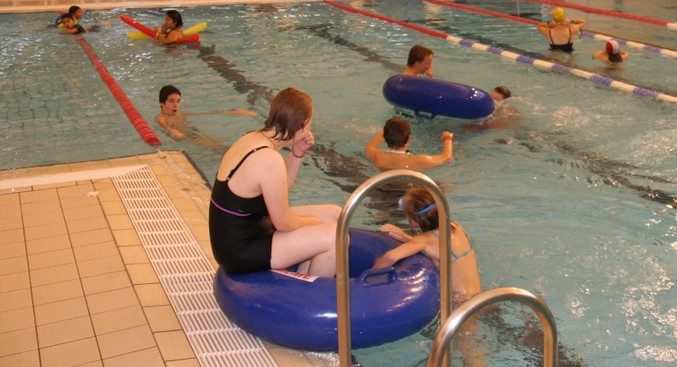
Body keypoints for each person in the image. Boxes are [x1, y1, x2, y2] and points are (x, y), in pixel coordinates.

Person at [375, 188, 534, 367]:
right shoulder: (455, 227)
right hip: (481, 298)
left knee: (473, 361)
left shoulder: (425, 240)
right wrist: (406, 238)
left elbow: (390, 258)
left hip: (462, 307)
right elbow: (436, 246)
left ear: (413, 219)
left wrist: (370, 276)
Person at [209, 87, 341, 276]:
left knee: (336, 216)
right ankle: (308, 299)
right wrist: (315, 222)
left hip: (248, 229)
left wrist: (298, 152)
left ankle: (302, 279)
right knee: (336, 238)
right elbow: (284, 224)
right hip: (240, 250)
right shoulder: (269, 159)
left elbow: (280, 186)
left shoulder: (254, 138)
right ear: (302, 126)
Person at [156, 85, 257, 140]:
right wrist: (173, 131)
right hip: (186, 137)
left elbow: (207, 113)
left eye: (178, 101)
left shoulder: (181, 114)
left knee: (216, 143)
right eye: (171, 101)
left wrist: (235, 112)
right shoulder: (161, 117)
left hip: (192, 133)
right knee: (216, 146)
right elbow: (165, 126)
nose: (176, 105)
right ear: (162, 103)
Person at [365, 117, 454, 171]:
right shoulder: (420, 160)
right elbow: (447, 158)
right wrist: (448, 138)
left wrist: (387, 131)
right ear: (408, 139)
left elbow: (370, 146)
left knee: (409, 152)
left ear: (385, 137)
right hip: (408, 193)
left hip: (383, 190)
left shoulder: (378, 157)